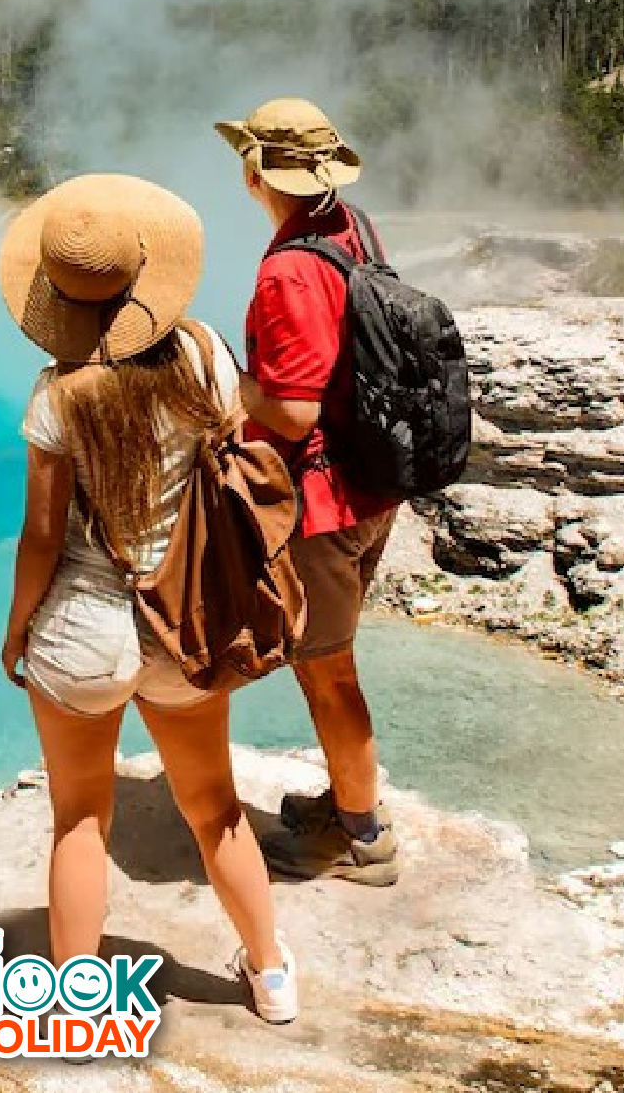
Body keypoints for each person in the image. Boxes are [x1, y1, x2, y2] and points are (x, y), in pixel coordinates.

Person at [0, 172, 300, 1025]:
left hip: (83, 632)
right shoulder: (202, 352)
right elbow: (230, 456)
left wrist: (17, 633)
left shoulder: (57, 395)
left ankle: (74, 1009)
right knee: (214, 807)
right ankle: (270, 973)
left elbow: (42, 540)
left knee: (78, 820)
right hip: (187, 623)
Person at [213, 99, 403, 886]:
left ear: (256, 172)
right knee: (328, 661)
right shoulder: (348, 225)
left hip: (322, 503)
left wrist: (229, 380)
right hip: (373, 480)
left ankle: (363, 836)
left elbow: (290, 411)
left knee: (326, 669)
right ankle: (345, 796)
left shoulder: (290, 268)